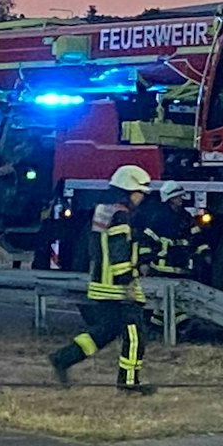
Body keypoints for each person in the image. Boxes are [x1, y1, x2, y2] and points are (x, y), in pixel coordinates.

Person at [49, 165, 154, 392]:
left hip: (101, 283)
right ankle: (128, 384)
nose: (141, 198)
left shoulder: (104, 209)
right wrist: (127, 280)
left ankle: (64, 358)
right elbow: (118, 250)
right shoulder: (121, 214)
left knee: (105, 331)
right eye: (139, 193)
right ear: (128, 189)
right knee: (135, 334)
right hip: (118, 285)